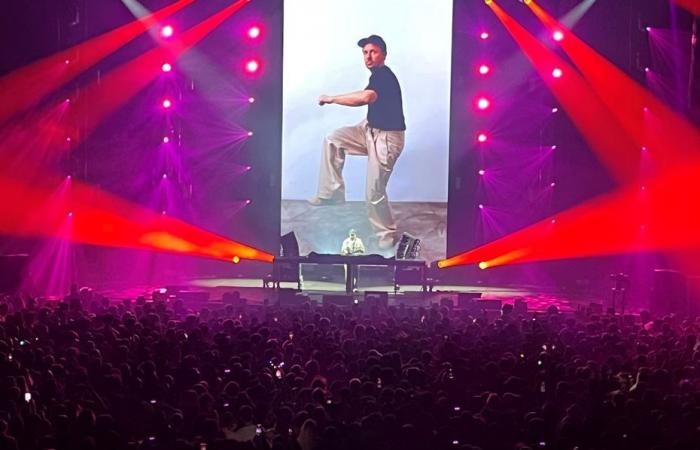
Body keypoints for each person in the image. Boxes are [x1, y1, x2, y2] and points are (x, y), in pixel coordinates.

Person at [309, 34, 406, 249]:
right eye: (365, 52)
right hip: (369, 130)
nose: (368, 57)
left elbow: (365, 98)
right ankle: (331, 193)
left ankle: (387, 233)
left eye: (373, 52)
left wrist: (332, 98)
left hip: (387, 139)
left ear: (384, 54)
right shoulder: (376, 76)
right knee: (333, 139)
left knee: (374, 193)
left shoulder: (383, 76)